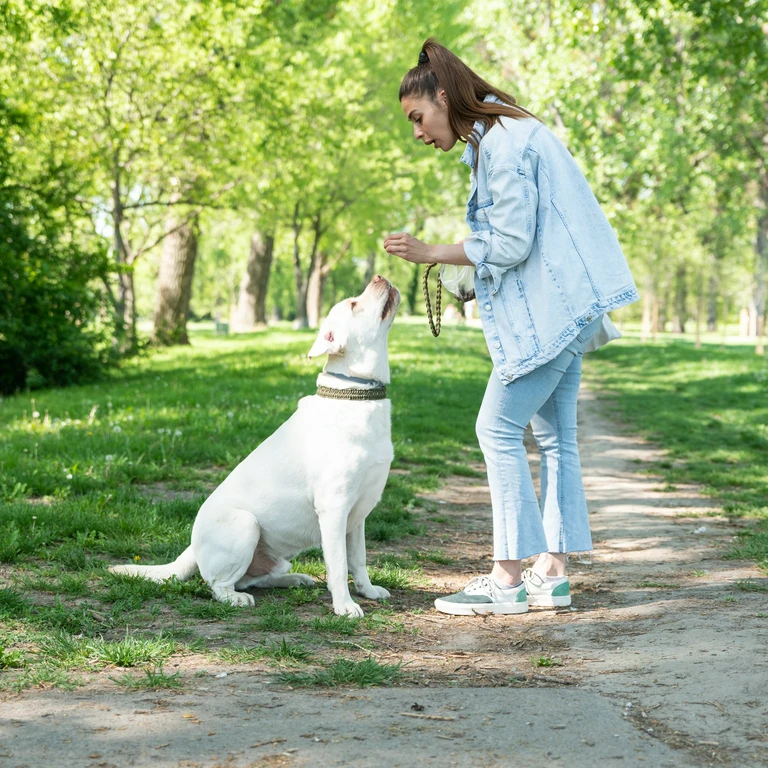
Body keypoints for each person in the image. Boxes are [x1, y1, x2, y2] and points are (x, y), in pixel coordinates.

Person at [384, 39, 639, 616]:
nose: (418, 133)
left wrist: (433, 253)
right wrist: (467, 275)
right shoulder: (509, 133)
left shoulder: (502, 144)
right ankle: (551, 574)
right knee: (554, 439)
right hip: (571, 309)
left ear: (444, 98)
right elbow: (528, 237)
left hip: (553, 314)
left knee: (495, 429)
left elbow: (512, 242)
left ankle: (506, 579)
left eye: (417, 118)